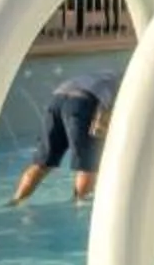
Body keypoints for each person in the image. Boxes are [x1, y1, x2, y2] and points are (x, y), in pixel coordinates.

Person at [13, 66, 122, 204]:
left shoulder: (107, 74)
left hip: (57, 100)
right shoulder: (129, 81)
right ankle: (80, 206)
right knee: (88, 165)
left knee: (42, 163)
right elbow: (107, 114)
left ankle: (16, 200)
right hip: (83, 102)